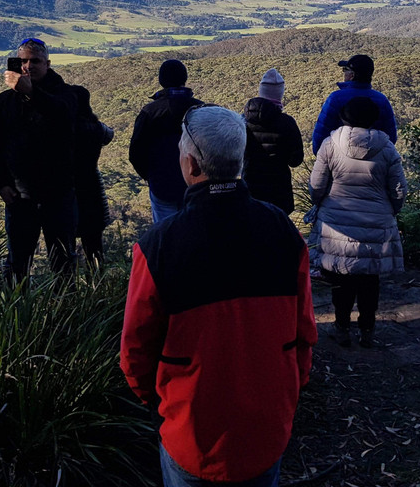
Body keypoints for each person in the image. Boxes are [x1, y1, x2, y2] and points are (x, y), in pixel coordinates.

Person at [121, 106, 317, 487]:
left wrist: (162, 408)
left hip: (191, 434)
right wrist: (290, 390)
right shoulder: (283, 233)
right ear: (240, 160)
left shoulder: (157, 247)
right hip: (267, 427)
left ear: (190, 164)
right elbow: (304, 331)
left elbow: (135, 351)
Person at [309, 96, 407, 349]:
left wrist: (322, 204)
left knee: (341, 278)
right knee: (369, 280)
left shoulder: (330, 144)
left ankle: (341, 327)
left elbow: (317, 185)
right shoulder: (387, 148)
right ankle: (367, 330)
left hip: (336, 222)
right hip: (376, 222)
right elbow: (398, 190)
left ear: (344, 117)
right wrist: (388, 212)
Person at [0, 38, 80, 283]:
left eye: (35, 61)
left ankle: (66, 312)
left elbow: (62, 114)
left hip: (58, 194)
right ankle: (16, 314)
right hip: (18, 197)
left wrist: (30, 93)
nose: (28, 66)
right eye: (23, 61)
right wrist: (0, 184)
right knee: (17, 262)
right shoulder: (5, 101)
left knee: (63, 261)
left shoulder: (66, 94)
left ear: (48, 64)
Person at [128, 59, 203, 222]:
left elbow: (135, 153)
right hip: (196, 186)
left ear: (161, 81)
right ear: (185, 79)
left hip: (161, 186)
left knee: (165, 236)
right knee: (195, 234)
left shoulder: (149, 113)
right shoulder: (201, 110)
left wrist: (151, 176)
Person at [241, 68, 305, 215]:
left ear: (261, 91)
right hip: (279, 190)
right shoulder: (287, 123)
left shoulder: (242, 121)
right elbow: (295, 161)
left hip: (250, 187)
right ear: (280, 94)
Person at [311, 54, 397, 154]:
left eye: (345, 70)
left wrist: (322, 157)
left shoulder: (335, 98)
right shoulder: (382, 100)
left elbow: (322, 132)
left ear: (352, 75)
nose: (343, 73)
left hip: (339, 161)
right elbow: (390, 137)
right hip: (374, 164)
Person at [73, 88, 115, 268]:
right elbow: (109, 134)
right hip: (92, 188)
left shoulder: (65, 129)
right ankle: (97, 283)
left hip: (69, 188)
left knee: (65, 243)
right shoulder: (96, 129)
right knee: (94, 246)